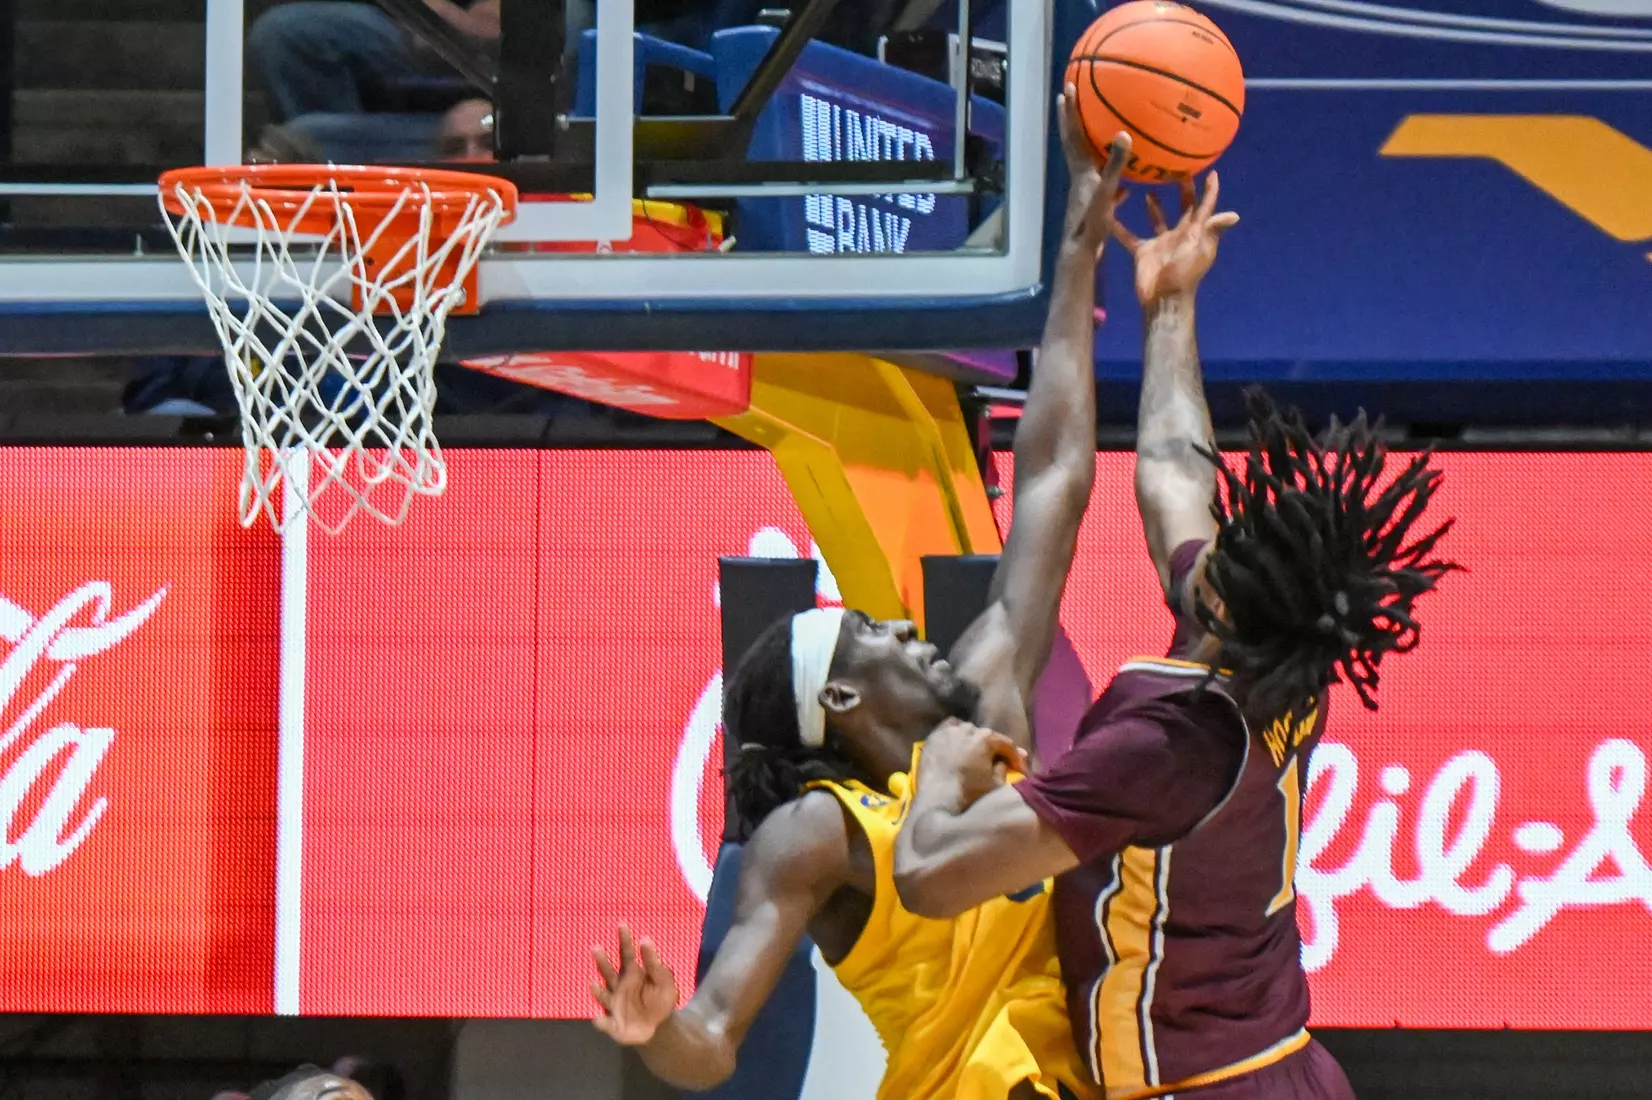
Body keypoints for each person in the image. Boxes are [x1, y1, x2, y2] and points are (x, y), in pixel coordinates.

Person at [587, 92, 1132, 1100]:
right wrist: (652, 1027)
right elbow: (710, 1033)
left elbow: (1053, 475)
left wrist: (1074, 254)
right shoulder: (818, 830)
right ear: (835, 701)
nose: (896, 625)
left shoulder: (989, 709)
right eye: (864, 634)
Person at [891, 178, 1460, 1099]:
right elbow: (1171, 470)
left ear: (1225, 610)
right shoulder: (1285, 657)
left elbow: (932, 875)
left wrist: (939, 777)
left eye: (1224, 548)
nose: (1208, 537)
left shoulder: (1163, 748)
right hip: (1290, 1067)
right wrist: (1170, 304)